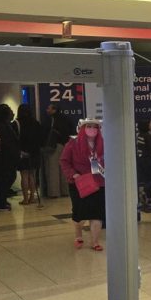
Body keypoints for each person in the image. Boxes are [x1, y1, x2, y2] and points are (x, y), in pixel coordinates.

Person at [60, 119, 106, 251]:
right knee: (79, 212)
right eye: (89, 126)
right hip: (79, 184)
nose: (92, 129)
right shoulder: (72, 144)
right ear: (82, 128)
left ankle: (95, 241)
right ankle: (78, 235)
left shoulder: (103, 144)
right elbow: (64, 161)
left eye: (95, 127)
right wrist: (73, 174)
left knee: (97, 213)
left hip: (98, 183)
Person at [0, 104, 20, 211]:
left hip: (6, 158)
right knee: (4, 179)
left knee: (5, 179)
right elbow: (6, 143)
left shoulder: (6, 125)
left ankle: (1, 200)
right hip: (4, 158)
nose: (13, 113)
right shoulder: (1, 126)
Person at [41, 103, 73, 198]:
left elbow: (44, 132)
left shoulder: (50, 120)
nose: (47, 110)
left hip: (53, 146)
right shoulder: (66, 119)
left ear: (54, 110)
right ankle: (65, 191)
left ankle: (54, 192)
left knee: (52, 169)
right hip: (65, 145)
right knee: (63, 169)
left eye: (49, 108)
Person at [16, 104, 44, 205]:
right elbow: (41, 138)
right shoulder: (36, 123)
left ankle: (25, 199)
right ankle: (32, 197)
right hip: (34, 152)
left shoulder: (17, 123)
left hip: (23, 153)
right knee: (32, 175)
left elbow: (15, 139)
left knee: (24, 175)